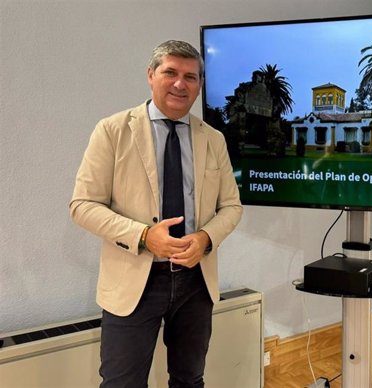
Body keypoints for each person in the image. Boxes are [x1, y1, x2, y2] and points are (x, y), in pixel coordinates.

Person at [70, 40, 243, 388]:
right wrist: (145, 236)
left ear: (199, 84)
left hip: (196, 281)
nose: (181, 84)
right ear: (151, 76)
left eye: (190, 77)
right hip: (135, 278)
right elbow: (83, 205)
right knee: (122, 383)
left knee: (189, 380)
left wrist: (207, 237)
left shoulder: (213, 139)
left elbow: (232, 207)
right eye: (170, 73)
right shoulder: (113, 130)